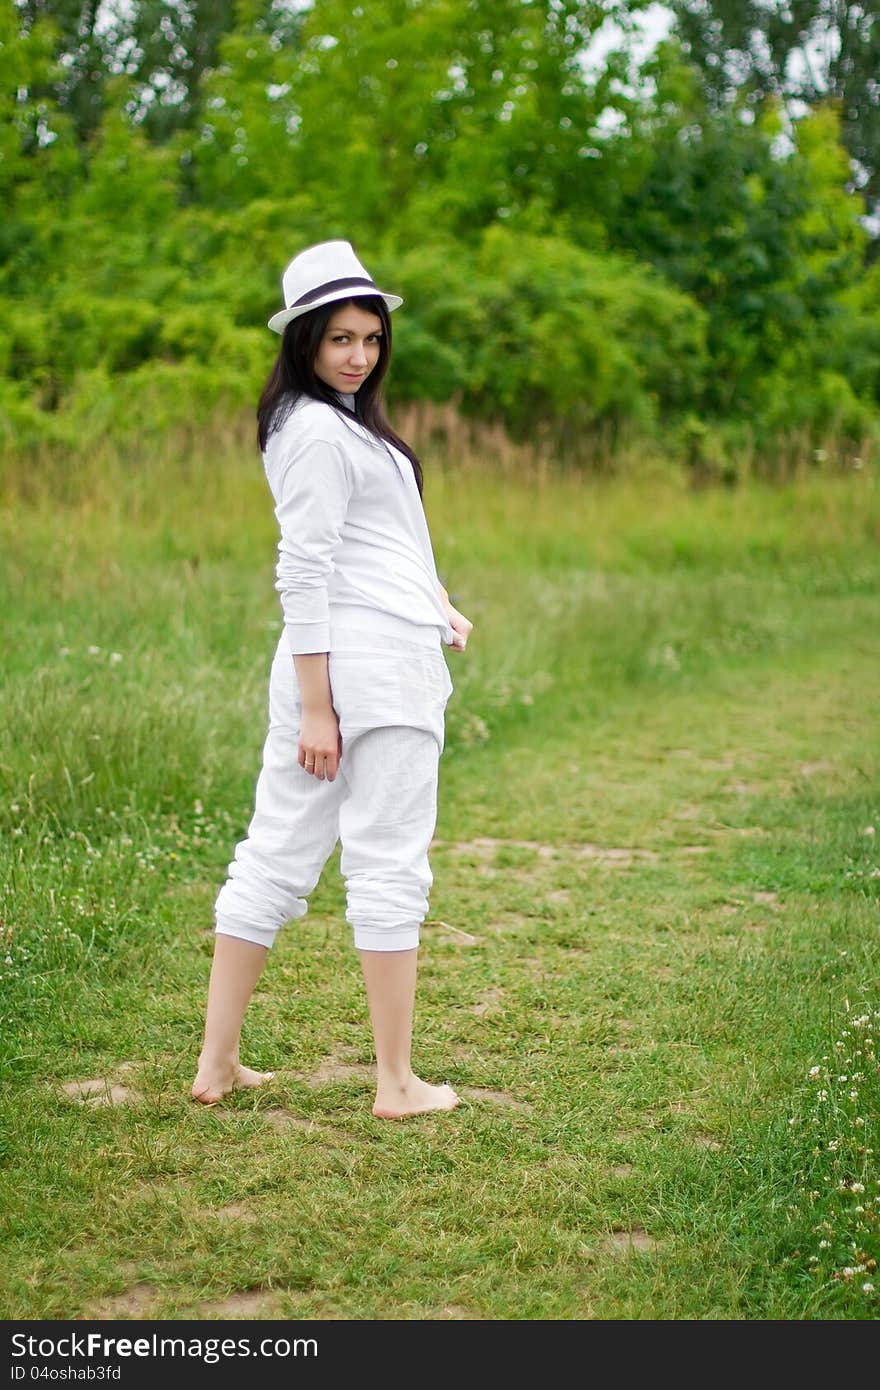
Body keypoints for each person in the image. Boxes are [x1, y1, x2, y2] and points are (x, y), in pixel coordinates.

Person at [191, 240, 473, 1119]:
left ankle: (217, 1066)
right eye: (340, 339)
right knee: (382, 861)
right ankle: (396, 1084)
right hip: (366, 672)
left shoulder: (333, 423)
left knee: (274, 854)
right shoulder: (317, 430)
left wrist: (439, 604)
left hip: (358, 655)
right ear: (305, 340)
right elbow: (304, 570)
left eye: (371, 339)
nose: (358, 355)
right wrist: (320, 708)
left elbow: (374, 544)